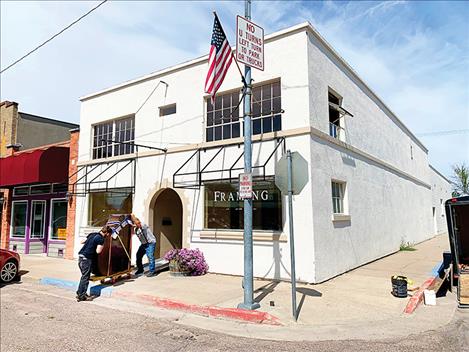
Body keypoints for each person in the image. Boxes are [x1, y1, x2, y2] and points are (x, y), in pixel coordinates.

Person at [76, 226, 113, 302]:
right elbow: (98, 251)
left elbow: (82, 241)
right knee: (85, 278)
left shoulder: (92, 234)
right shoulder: (101, 239)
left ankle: (80, 292)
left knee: (84, 277)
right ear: (106, 233)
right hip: (86, 259)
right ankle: (81, 296)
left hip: (80, 257)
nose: (109, 236)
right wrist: (102, 246)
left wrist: (90, 243)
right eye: (109, 234)